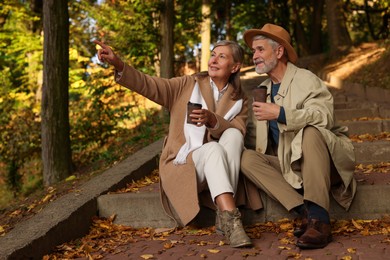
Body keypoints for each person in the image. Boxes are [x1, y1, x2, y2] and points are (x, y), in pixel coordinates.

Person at [94, 39, 252, 247]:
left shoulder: (240, 99)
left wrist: (213, 120)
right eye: (213, 54)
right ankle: (231, 219)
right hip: (184, 164)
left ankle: (224, 216)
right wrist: (119, 64)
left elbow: (238, 131)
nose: (213, 60)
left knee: (234, 135)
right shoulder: (187, 85)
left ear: (235, 66)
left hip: (220, 168)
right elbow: (149, 84)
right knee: (213, 148)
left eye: (222, 56)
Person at [240, 24, 357, 249]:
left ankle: (320, 221)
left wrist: (281, 113)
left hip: (322, 162)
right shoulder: (261, 89)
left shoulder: (306, 79)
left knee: (311, 131)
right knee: (246, 158)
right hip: (289, 166)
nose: (254, 56)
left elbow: (324, 116)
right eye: (253, 51)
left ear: (279, 51)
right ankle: (303, 212)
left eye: (260, 50)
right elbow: (254, 139)